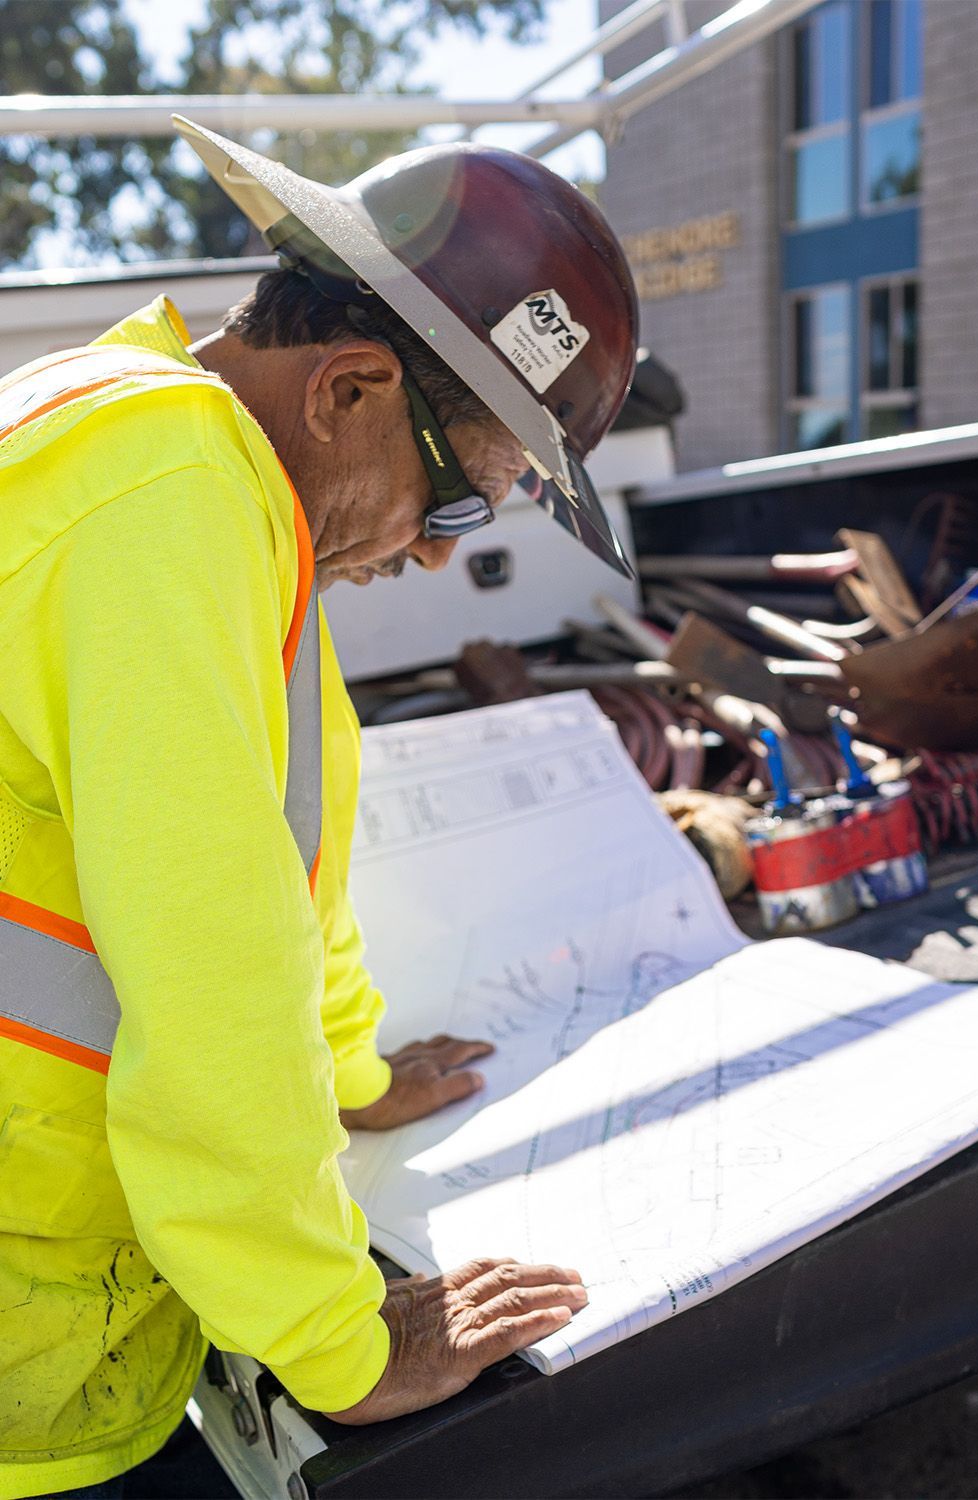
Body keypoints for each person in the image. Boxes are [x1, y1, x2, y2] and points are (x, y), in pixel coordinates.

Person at [0, 119, 638, 1499]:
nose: (426, 552)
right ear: (350, 384)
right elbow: (211, 968)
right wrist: (335, 1341)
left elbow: (282, 856)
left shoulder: (184, 467)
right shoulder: (166, 508)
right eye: (459, 501)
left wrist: (350, 1077)